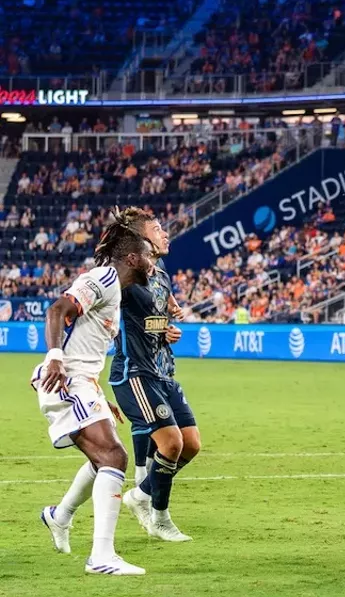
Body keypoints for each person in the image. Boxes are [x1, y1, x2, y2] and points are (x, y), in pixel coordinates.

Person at [33, 213, 156, 575]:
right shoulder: (103, 277)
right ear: (132, 258)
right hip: (65, 380)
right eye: (148, 254)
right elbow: (58, 309)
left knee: (103, 458)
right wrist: (55, 357)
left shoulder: (115, 291)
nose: (153, 262)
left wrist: (102, 399)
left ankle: (60, 515)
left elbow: (85, 344)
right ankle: (101, 556)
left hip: (83, 382)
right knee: (114, 457)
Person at [108, 208, 200, 542]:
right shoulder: (126, 275)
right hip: (136, 372)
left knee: (191, 444)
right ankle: (160, 518)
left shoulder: (160, 273)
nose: (166, 234)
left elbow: (156, 312)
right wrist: (164, 328)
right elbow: (128, 323)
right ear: (141, 240)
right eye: (158, 229)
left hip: (163, 371)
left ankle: (140, 494)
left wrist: (169, 315)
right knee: (171, 442)